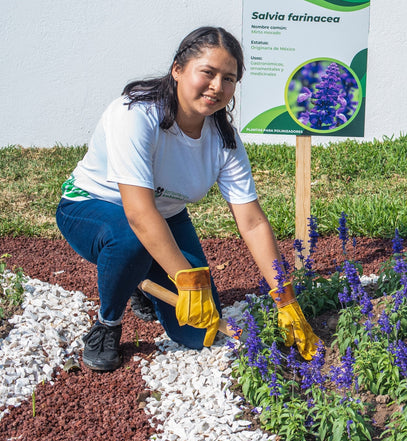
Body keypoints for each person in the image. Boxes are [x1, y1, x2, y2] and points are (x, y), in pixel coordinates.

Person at [56, 26, 321, 371]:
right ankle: (107, 323)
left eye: (229, 79)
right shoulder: (135, 114)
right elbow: (138, 213)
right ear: (178, 69)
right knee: (130, 242)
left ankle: (135, 276)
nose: (217, 87)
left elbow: (253, 223)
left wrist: (285, 298)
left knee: (196, 334)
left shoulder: (223, 140)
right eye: (208, 73)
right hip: (92, 208)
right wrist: (187, 280)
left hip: (163, 217)